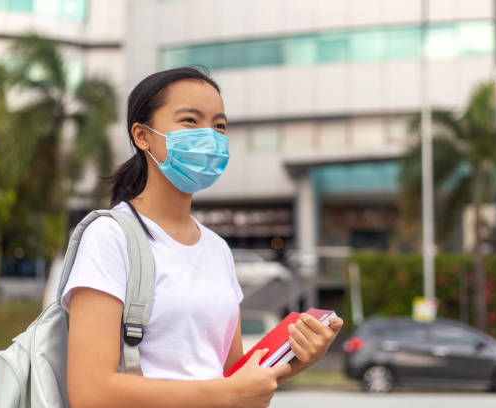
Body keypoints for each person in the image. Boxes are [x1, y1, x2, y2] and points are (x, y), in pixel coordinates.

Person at [61, 67, 343, 408]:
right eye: (190, 121)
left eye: (219, 126)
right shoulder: (110, 236)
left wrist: (301, 359)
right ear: (142, 135)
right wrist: (227, 393)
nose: (209, 136)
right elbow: (89, 393)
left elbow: (234, 379)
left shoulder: (217, 249)